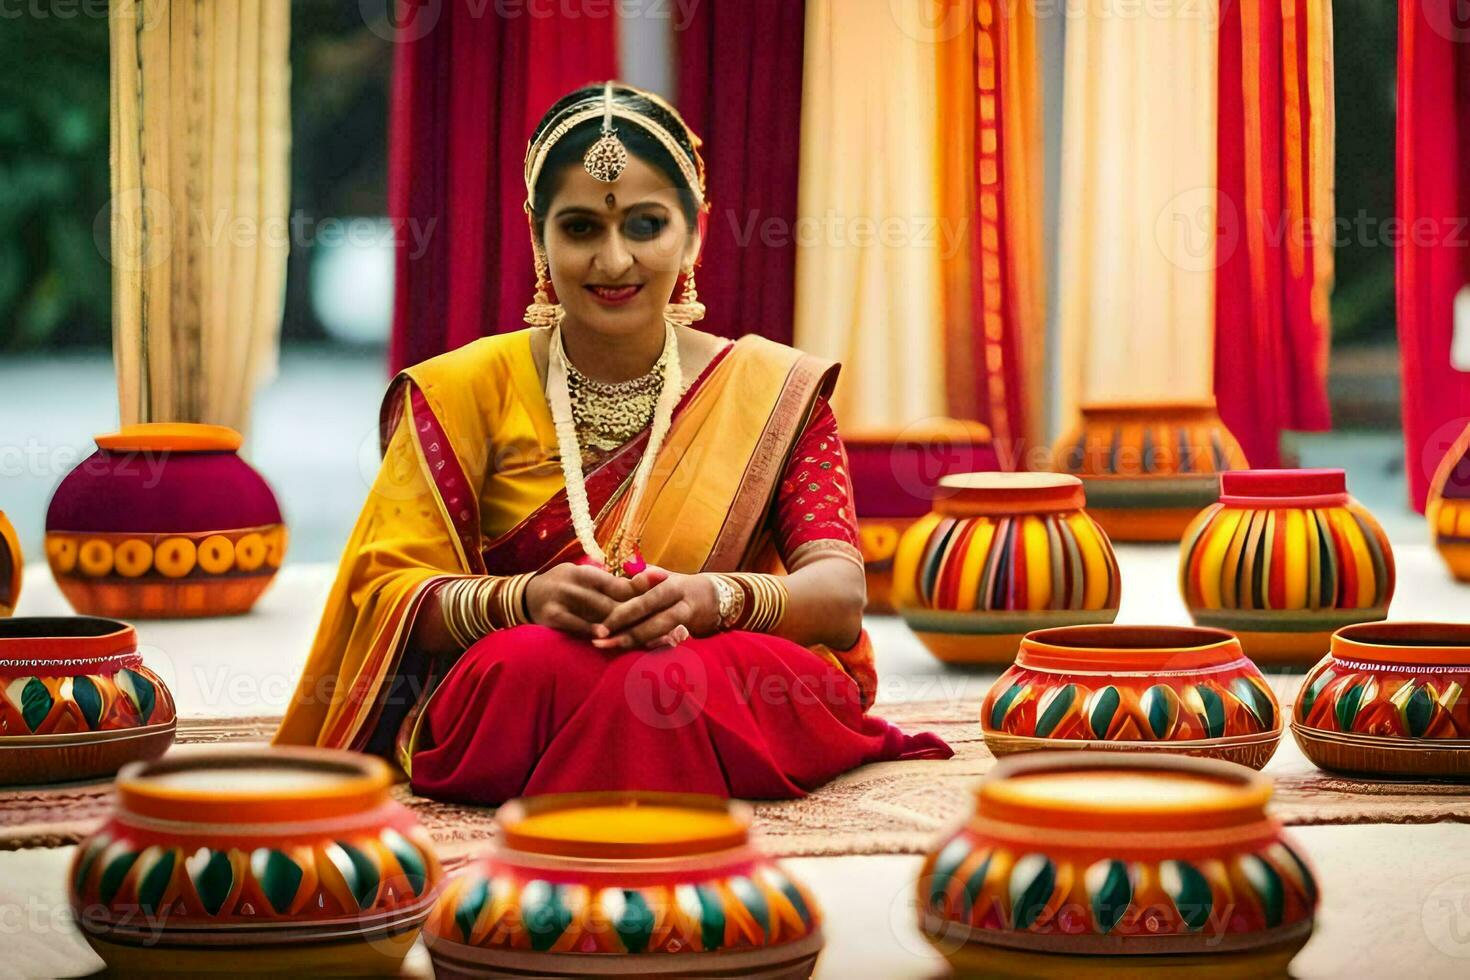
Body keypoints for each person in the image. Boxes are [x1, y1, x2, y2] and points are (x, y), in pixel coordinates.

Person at [274, 81, 951, 804]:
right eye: (581, 229)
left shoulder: (776, 388)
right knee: (536, 665)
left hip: (710, 664)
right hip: (534, 677)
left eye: (645, 224)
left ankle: (595, 824)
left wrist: (707, 601)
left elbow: (839, 595)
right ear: (538, 234)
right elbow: (386, 596)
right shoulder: (460, 391)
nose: (615, 260)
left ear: (694, 232)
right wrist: (522, 601)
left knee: (665, 677)